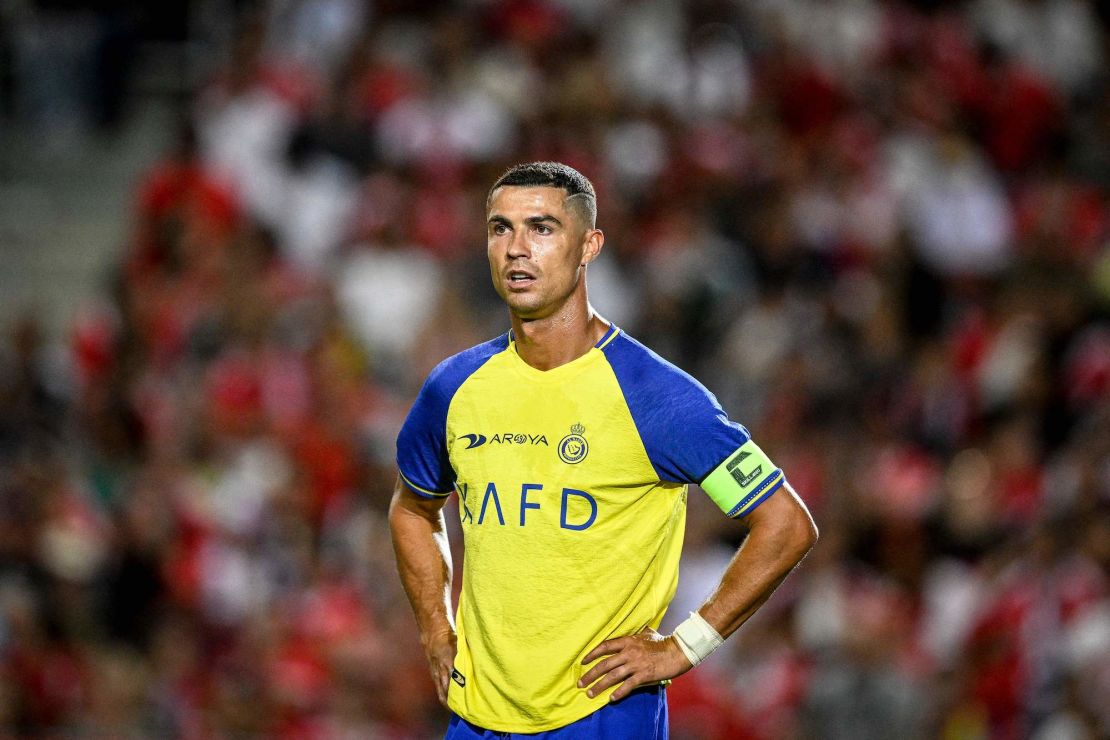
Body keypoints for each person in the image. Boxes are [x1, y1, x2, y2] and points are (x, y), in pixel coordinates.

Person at [389, 162, 818, 738]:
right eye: (500, 229)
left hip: (602, 715)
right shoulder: (454, 387)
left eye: (542, 228)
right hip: (478, 717)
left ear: (589, 246)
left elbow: (786, 524)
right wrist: (435, 628)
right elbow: (413, 508)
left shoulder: (656, 397)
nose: (517, 249)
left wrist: (683, 647)